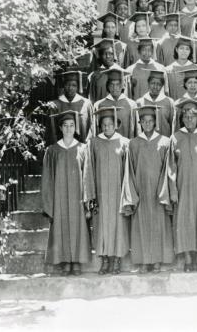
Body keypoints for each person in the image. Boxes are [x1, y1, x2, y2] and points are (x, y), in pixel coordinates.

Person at [123, 105, 174, 273]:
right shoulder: (133, 144)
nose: (147, 124)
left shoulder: (165, 142)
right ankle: (145, 261)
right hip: (141, 192)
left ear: (155, 122)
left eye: (150, 121)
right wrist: (133, 193)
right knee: (141, 226)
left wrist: (164, 191)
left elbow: (168, 169)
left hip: (159, 191)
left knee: (159, 225)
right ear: (139, 123)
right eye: (144, 121)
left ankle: (157, 260)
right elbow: (129, 171)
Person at [41, 110, 91, 276]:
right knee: (61, 225)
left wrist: (87, 199)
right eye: (65, 126)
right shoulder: (53, 151)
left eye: (72, 125)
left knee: (77, 226)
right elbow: (48, 178)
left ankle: (76, 261)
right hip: (59, 197)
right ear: (61, 128)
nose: (69, 129)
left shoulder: (83, 149)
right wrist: (49, 203)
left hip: (77, 197)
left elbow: (87, 175)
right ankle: (64, 262)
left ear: (75, 127)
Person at [168, 100, 197, 272]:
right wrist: (173, 190)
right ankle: (188, 258)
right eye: (186, 117)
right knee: (185, 221)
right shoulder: (175, 138)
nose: (189, 120)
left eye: (192, 117)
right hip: (182, 188)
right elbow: (171, 166)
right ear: (182, 119)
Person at [84, 106, 130, 275]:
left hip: (118, 193)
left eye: (110, 124)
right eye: (103, 124)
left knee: (118, 225)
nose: (107, 127)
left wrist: (127, 195)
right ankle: (104, 260)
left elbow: (128, 172)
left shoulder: (124, 143)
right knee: (102, 226)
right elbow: (89, 170)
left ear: (116, 124)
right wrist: (91, 195)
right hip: (101, 194)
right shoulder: (94, 143)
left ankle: (116, 260)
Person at [48, 71, 94, 145]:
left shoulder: (86, 104)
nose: (70, 88)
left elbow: (91, 128)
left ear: (78, 87)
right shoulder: (55, 105)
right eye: (67, 85)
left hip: (82, 147)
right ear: (63, 86)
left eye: (74, 85)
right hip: (61, 148)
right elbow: (52, 132)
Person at [93, 65, 136, 139]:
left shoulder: (131, 105)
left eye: (118, 85)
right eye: (111, 85)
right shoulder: (99, 105)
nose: (115, 88)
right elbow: (95, 131)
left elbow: (135, 131)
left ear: (123, 85)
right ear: (108, 86)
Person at [134, 69, 174, 138]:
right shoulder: (140, 102)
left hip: (164, 142)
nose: (155, 87)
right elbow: (138, 128)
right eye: (152, 83)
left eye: (158, 84)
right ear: (148, 83)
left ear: (162, 86)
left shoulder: (169, 102)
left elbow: (173, 125)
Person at [173, 67, 197, 132]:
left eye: (195, 82)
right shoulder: (178, 103)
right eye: (189, 82)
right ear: (185, 84)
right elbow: (176, 126)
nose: (193, 85)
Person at [165, 35, 196, 100]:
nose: (184, 51)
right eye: (181, 48)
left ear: (190, 51)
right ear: (176, 49)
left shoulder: (196, 68)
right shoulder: (168, 69)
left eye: (187, 49)